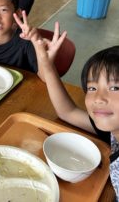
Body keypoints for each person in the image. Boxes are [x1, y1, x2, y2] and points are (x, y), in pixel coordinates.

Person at [14, 14, 119, 199]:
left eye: (115, 87)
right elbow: (67, 111)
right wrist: (46, 64)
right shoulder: (113, 130)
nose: (99, 98)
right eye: (92, 87)